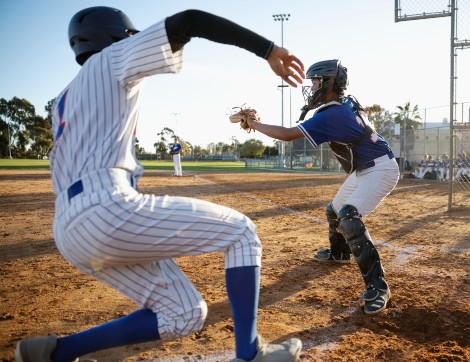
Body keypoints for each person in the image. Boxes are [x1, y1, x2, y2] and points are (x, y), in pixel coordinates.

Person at [14, 7, 305, 362]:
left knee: (184, 314)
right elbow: (189, 21)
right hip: (106, 206)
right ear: (117, 36)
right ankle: (250, 354)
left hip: (68, 228)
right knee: (242, 232)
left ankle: (55, 353)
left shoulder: (64, 97)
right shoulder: (111, 58)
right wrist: (269, 49)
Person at [242, 59, 399, 315]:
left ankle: (378, 287)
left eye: (315, 81)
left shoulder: (333, 113)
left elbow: (286, 134)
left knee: (348, 216)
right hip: (366, 167)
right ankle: (339, 253)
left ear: (328, 82)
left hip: (380, 169)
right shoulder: (344, 104)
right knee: (334, 209)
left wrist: (254, 124)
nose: (311, 87)